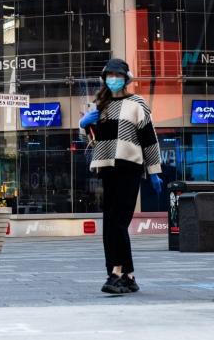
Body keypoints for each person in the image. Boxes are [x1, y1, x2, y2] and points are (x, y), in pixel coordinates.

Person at [79, 58, 163, 294]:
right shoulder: (100, 105)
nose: (113, 79)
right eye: (110, 75)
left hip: (129, 166)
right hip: (106, 167)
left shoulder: (137, 103)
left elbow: (149, 140)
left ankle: (116, 272)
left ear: (126, 78)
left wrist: (154, 172)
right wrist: (83, 123)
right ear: (104, 78)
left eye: (118, 75)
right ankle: (128, 275)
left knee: (118, 221)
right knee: (111, 223)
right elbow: (93, 139)